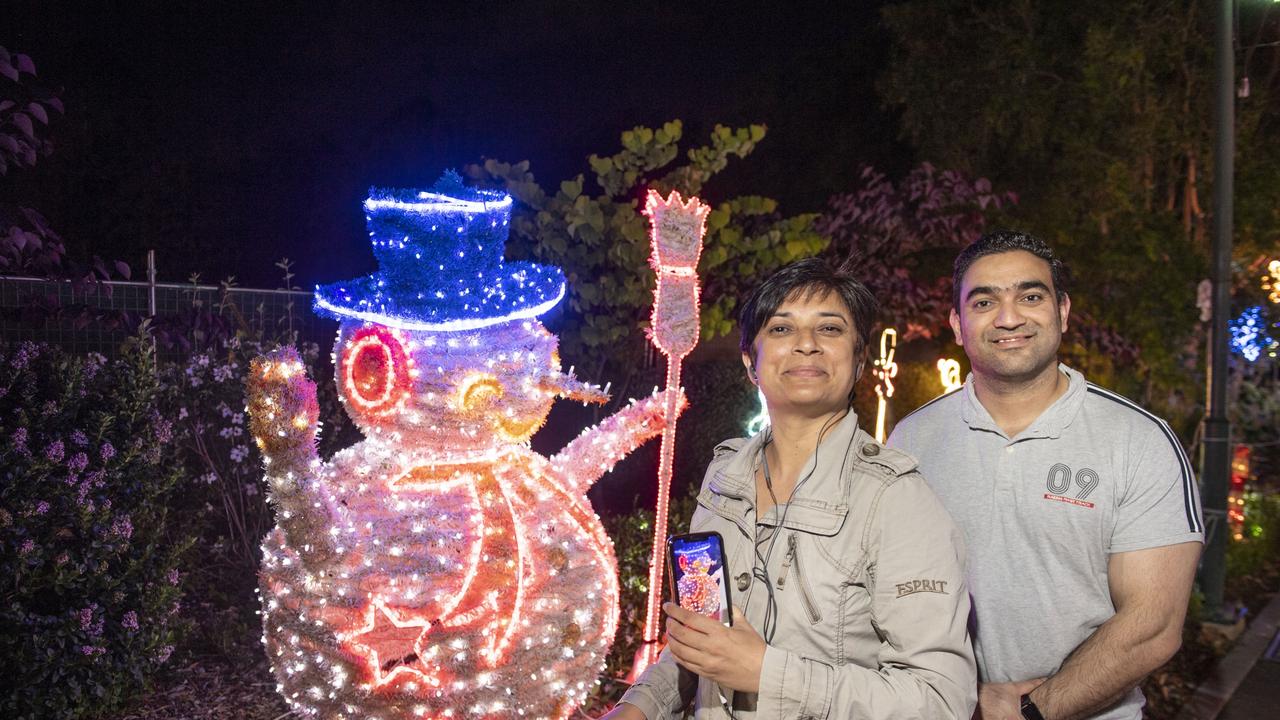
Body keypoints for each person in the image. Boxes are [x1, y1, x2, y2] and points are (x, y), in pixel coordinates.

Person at [606, 258, 977, 719]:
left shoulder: (896, 499)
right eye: (781, 330)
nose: (806, 344)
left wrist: (769, 674)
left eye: (830, 329)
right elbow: (703, 641)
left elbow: (941, 702)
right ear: (750, 363)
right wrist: (638, 707)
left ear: (860, 360)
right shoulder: (724, 479)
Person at [887, 231, 1204, 720]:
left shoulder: (1138, 440)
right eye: (984, 301)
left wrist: (1033, 709)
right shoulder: (912, 440)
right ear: (956, 323)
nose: (1009, 317)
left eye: (1030, 296)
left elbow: (1153, 623)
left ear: (1063, 311)